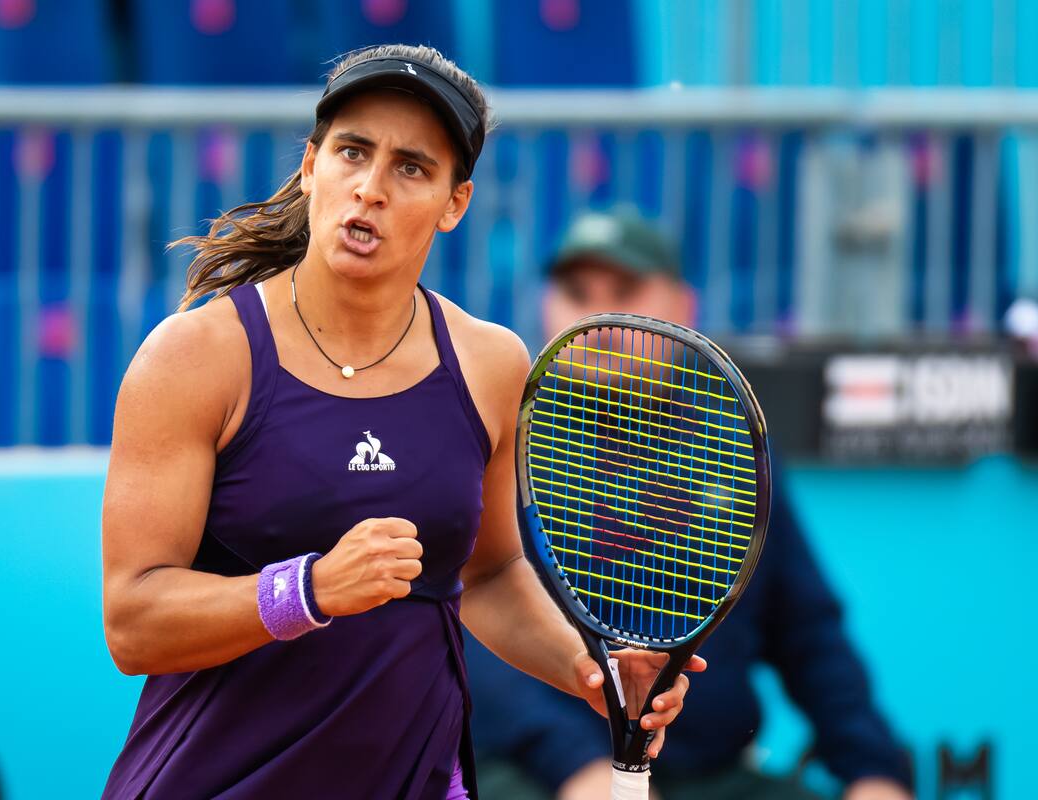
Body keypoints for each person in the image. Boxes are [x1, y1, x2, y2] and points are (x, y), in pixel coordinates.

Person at [98, 46, 704, 799]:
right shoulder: (194, 357)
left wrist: (592, 669)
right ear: (312, 165)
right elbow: (133, 622)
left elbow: (486, 574)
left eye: (411, 167)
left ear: (455, 204)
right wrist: (309, 589)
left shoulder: (491, 364)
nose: (371, 188)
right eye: (353, 152)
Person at [465, 207, 914, 800]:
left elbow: (809, 635)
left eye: (624, 290)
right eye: (577, 294)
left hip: (714, 780)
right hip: (540, 777)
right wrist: (578, 766)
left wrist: (875, 773)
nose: (599, 317)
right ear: (547, 306)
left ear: (683, 305)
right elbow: (472, 626)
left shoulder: (736, 451)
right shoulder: (501, 443)